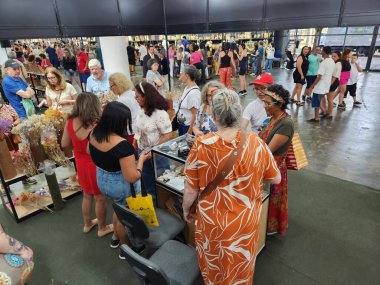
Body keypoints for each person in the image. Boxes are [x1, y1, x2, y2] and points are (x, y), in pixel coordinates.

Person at [183, 88, 281, 285]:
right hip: (245, 222)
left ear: (214, 113)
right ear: (238, 111)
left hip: (213, 221)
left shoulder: (202, 145)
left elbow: (190, 189)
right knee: (240, 267)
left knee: (214, 265)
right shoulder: (256, 143)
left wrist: (186, 210)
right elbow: (275, 178)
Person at [89, 101, 151, 256]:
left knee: (117, 208)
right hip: (119, 185)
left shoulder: (94, 133)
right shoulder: (122, 146)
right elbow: (132, 177)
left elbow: (90, 153)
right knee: (125, 219)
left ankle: (115, 237)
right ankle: (127, 249)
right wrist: (142, 159)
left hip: (102, 179)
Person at [61, 92, 113, 238]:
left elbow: (64, 144)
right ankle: (102, 228)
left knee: (87, 195)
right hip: (95, 164)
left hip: (80, 162)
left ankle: (87, 223)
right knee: (100, 198)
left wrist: (76, 147)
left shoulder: (70, 121)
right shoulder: (96, 123)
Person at [259, 84, 294, 236]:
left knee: (272, 196)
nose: (265, 106)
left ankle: (270, 227)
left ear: (279, 104)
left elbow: (268, 150)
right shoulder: (273, 118)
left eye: (268, 103)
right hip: (265, 164)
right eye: (264, 102)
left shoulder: (285, 124)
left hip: (274, 167)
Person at [134, 82, 172, 199]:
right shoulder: (141, 110)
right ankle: (152, 201)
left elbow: (167, 135)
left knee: (162, 180)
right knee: (146, 179)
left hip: (157, 154)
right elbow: (139, 128)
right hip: (143, 152)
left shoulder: (160, 114)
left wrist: (153, 150)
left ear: (146, 97)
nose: (136, 99)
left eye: (138, 97)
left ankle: (166, 202)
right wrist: (136, 140)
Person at [109, 72, 140, 144]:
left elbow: (118, 121)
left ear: (118, 85)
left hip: (130, 132)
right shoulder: (133, 93)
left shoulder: (121, 100)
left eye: (111, 86)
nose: (110, 89)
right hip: (139, 129)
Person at [307, 46, 335, 122]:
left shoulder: (324, 63)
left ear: (324, 52)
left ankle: (316, 118)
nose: (320, 52)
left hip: (320, 86)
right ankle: (324, 111)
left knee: (316, 101)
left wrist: (311, 87)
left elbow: (319, 76)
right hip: (326, 85)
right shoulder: (331, 61)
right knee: (320, 99)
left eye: (322, 51)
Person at [178, 65, 201, 135]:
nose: (180, 77)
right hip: (182, 124)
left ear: (187, 76)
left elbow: (195, 115)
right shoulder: (187, 88)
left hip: (187, 127)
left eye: (182, 74)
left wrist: (190, 131)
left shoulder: (194, 93)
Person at [326, 51, 342, 118]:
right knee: (329, 99)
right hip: (332, 81)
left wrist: (329, 84)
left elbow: (335, 76)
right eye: (332, 56)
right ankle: (328, 112)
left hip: (333, 81)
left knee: (330, 99)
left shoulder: (338, 64)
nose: (333, 57)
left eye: (335, 56)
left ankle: (330, 114)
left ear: (338, 57)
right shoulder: (334, 63)